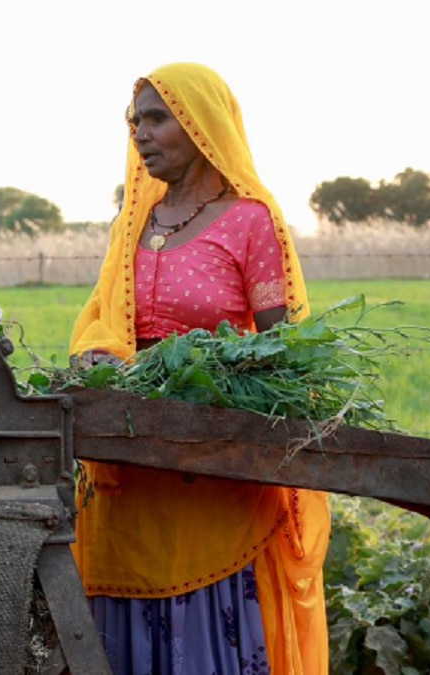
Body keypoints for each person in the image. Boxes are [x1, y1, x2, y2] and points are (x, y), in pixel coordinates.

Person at [69, 62, 331, 674]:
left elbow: (281, 349)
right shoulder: (132, 225)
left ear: (200, 123)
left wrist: (217, 385)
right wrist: (98, 357)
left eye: (158, 119)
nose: (141, 133)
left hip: (213, 474)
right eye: (137, 121)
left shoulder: (250, 221)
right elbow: (100, 318)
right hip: (129, 472)